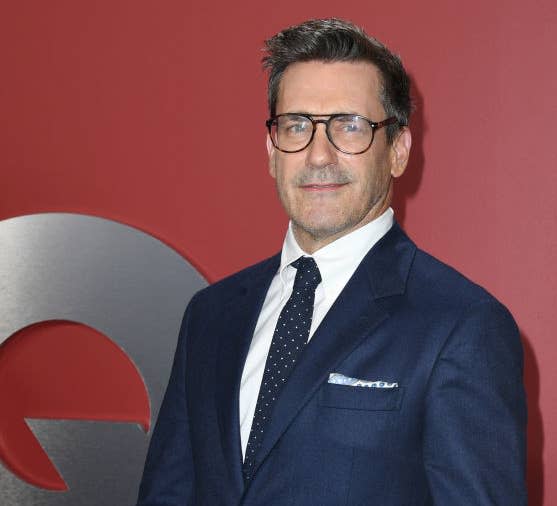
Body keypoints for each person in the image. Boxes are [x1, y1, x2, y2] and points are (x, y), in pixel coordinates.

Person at [137, 18, 527, 506]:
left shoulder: (462, 325)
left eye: (349, 126)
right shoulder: (210, 315)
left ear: (398, 150)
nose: (318, 154)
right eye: (297, 125)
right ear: (271, 149)